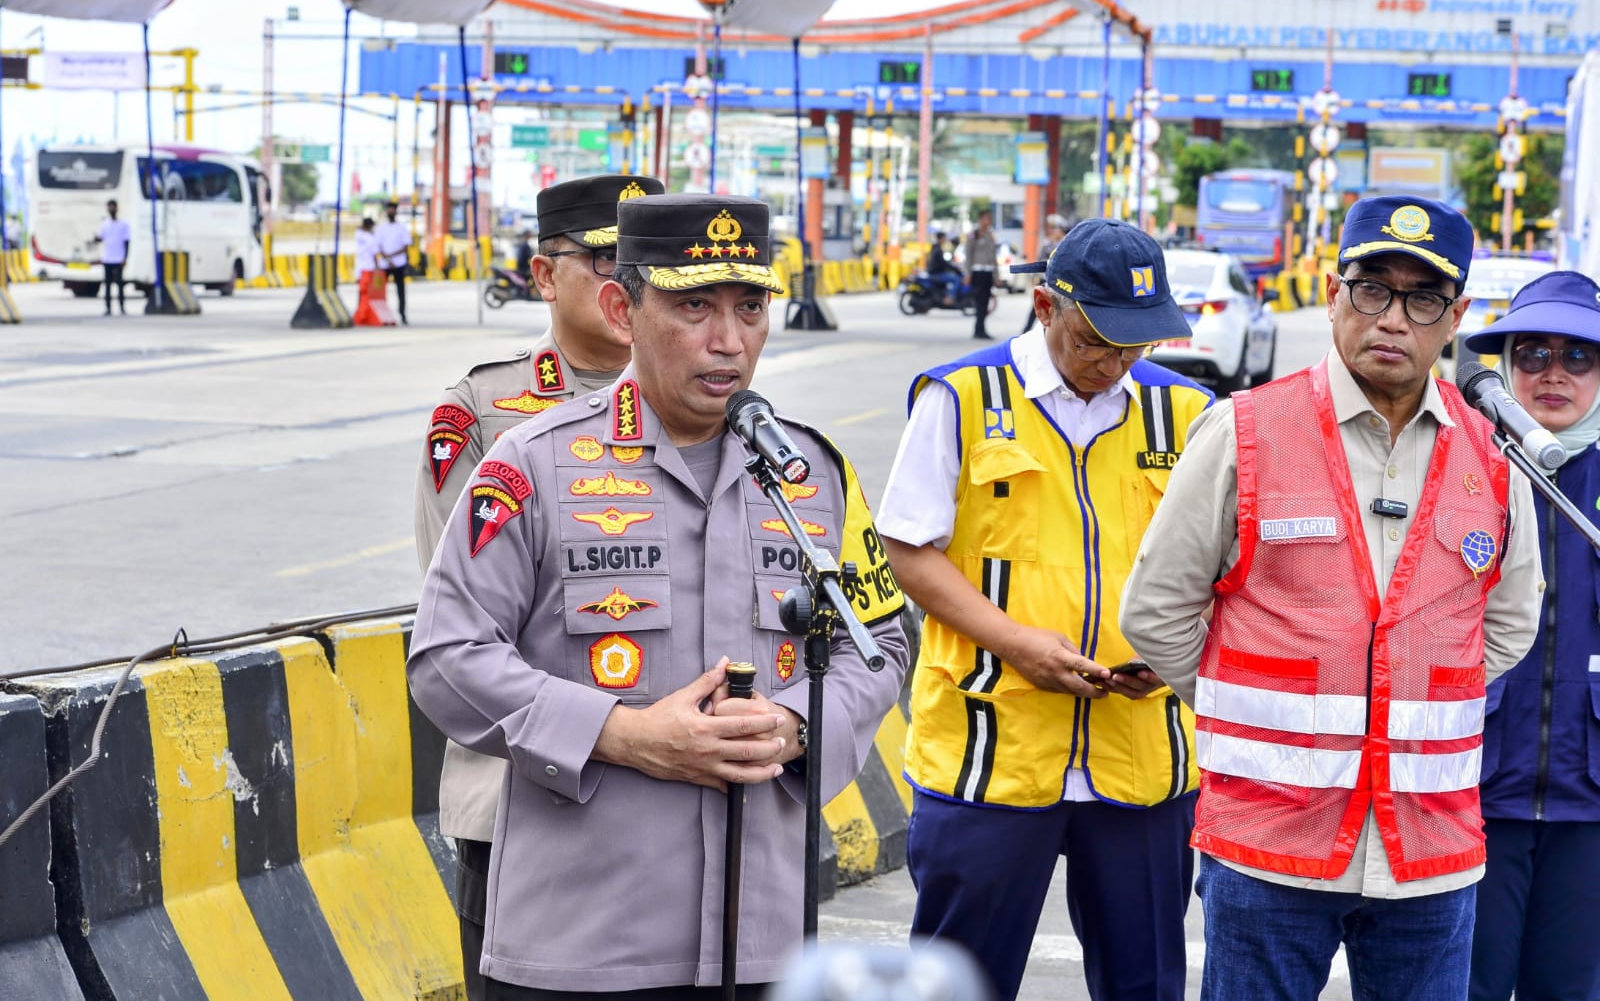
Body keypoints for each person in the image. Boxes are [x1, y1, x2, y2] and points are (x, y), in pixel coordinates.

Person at [408, 192, 909, 999]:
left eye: (750, 307)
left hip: (764, 941)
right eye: (694, 306)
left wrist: (798, 724)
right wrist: (623, 733)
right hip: (579, 947)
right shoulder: (531, 466)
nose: (729, 340)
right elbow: (445, 656)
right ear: (624, 307)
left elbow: (879, 644)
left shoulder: (811, 475)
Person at [1120, 195, 1543, 1001]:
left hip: (1430, 851)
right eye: (1372, 288)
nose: (1393, 318)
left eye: (1422, 299)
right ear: (1331, 294)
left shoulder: (1491, 453)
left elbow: (1511, 619)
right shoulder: (1243, 429)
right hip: (1267, 847)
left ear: (1453, 317)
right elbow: (1157, 608)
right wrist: (1246, 707)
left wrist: (1415, 689)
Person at [878, 218, 1212, 1001]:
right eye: (1098, 339)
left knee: (1147, 986)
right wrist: (1016, 643)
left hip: (1142, 756)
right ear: (1043, 305)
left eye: (1136, 344)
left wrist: (1174, 656)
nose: (1116, 362)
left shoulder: (1189, 415)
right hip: (991, 752)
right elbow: (908, 548)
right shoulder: (962, 397)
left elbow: (1224, 568)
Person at [413, 173, 662, 1001]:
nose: (625, 280)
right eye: (602, 260)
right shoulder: (485, 411)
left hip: (673, 787)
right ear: (544, 274)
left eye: (641, 261)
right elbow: (462, 618)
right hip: (522, 785)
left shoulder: (705, 403)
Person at [1460, 270, 1600, 1001]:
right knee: (1462, 987)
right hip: (1475, 791)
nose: (1554, 372)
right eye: (1534, 353)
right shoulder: (1464, 464)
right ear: (1508, 364)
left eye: (1578, 356)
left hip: (1592, 807)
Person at [1021, 213, 1069, 333]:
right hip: (1045, 280)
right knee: (1039, 306)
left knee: (1060, 308)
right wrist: (1034, 277)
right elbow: (1040, 261)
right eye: (1051, 228)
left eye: (1055, 228)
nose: (1052, 231)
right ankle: (1027, 330)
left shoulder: (1067, 244)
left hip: (1061, 282)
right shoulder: (1047, 244)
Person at [91, 199, 131, 316]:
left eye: (113, 207)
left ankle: (122, 307)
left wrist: (125, 257)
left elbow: (127, 242)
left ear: (117, 208)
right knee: (107, 285)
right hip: (107, 258)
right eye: (110, 207)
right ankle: (108, 308)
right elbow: (100, 238)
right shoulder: (105, 224)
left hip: (118, 258)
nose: (111, 209)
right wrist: (95, 239)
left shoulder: (123, 224)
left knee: (120, 285)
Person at [963, 210, 998, 339]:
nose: (988, 222)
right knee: (979, 302)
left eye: (989, 219)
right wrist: (967, 274)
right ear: (980, 220)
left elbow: (993, 256)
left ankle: (981, 328)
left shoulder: (990, 235)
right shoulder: (973, 234)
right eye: (985, 219)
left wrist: (996, 275)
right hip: (977, 273)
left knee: (985, 302)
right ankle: (978, 330)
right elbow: (968, 255)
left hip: (988, 272)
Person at [351, 216, 392, 327]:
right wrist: (378, 266)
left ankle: (360, 313)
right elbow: (375, 254)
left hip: (359, 268)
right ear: (369, 226)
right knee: (367, 295)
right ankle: (363, 315)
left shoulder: (358, 235)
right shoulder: (370, 238)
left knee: (361, 293)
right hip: (369, 268)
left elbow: (358, 228)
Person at [378, 200, 413, 324]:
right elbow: (378, 246)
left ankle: (402, 314)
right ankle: (383, 316)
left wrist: (391, 257)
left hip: (398, 263)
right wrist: (387, 259)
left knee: (401, 291)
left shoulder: (402, 228)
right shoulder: (382, 228)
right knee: (381, 291)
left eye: (393, 209)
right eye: (389, 209)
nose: (390, 212)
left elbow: (405, 247)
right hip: (384, 264)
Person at [925, 229, 961, 308]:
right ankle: (950, 297)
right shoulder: (938, 250)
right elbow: (944, 263)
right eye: (944, 238)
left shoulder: (935, 248)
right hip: (936, 274)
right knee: (956, 279)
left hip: (934, 273)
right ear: (940, 239)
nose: (946, 240)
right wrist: (956, 269)